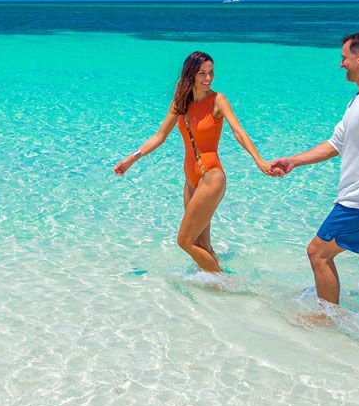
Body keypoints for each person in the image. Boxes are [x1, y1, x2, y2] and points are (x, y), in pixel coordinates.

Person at [268, 33, 359, 322]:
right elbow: (336, 144)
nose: (341, 64)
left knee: (318, 253)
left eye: (344, 57)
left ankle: (326, 322)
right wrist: (294, 161)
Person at [115, 51, 274, 274]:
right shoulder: (181, 102)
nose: (208, 78)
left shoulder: (218, 100)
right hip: (191, 180)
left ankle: (226, 284)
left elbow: (238, 131)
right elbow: (160, 136)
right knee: (201, 243)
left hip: (211, 176)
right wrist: (131, 159)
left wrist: (259, 160)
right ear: (191, 74)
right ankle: (214, 284)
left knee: (184, 240)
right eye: (202, 73)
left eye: (211, 73)